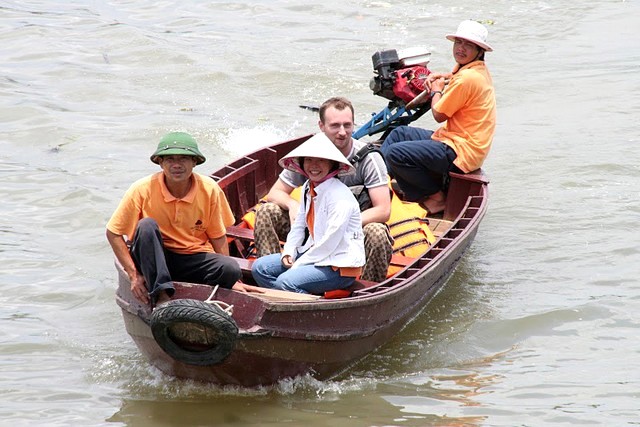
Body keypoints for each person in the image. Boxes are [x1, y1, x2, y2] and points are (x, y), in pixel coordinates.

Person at [106, 131, 262, 307]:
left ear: (194, 162)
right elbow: (113, 233)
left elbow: (218, 236)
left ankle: (192, 289)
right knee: (146, 225)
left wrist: (232, 280)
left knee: (230, 268)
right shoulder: (142, 189)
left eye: (183, 159)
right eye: (170, 159)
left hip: (192, 258)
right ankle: (162, 295)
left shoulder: (209, 189)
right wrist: (133, 275)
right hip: (154, 256)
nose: (176, 165)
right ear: (161, 163)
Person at [254, 97, 393, 282]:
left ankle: (368, 290)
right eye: (335, 126)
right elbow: (275, 192)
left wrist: (342, 224)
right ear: (321, 126)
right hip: (312, 228)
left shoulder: (369, 159)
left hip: (352, 233)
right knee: (266, 211)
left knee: (377, 233)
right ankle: (273, 277)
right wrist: (292, 205)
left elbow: (383, 210)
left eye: (347, 125)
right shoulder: (309, 155)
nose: (342, 132)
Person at [380, 20, 497, 214]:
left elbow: (439, 114)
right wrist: (439, 77)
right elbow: (455, 79)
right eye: (458, 43)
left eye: (468, 45)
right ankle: (379, 187)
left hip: (462, 150)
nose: (461, 49)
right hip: (455, 139)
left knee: (395, 153)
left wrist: (435, 90)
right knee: (398, 133)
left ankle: (436, 198)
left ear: (479, 51)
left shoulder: (468, 78)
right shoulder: (473, 70)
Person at [251, 133, 365, 294]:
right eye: (309, 160)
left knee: (286, 281)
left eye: (321, 160)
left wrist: (297, 266)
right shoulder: (308, 187)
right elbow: (299, 224)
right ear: (302, 164)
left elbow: (329, 242)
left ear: (332, 164)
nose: (314, 165)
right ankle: (287, 299)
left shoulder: (340, 197)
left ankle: (300, 307)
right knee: (260, 268)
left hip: (339, 265)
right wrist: (289, 251)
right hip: (312, 254)